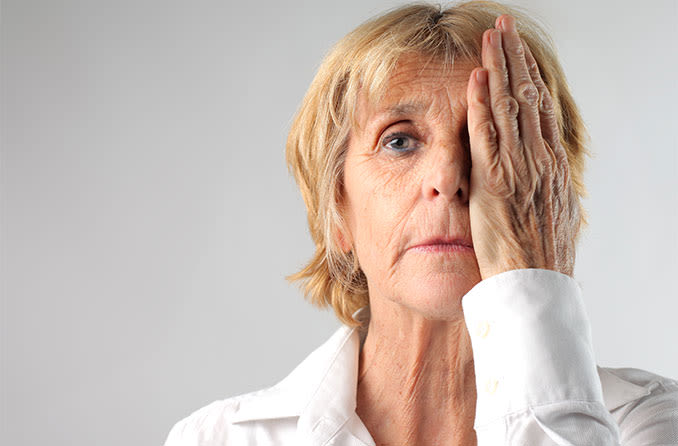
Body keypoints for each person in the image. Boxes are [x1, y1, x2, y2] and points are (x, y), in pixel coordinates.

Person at [164, 1, 678, 444]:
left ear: (547, 196)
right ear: (337, 210)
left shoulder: (649, 423)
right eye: (399, 140)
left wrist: (527, 273)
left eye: (490, 138)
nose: (449, 177)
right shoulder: (217, 438)